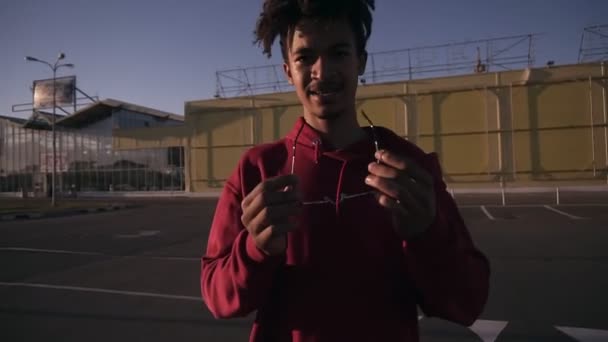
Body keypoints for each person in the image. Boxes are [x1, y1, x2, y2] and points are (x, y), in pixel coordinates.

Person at [201, 1, 490, 341]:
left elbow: (467, 303)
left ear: (361, 62)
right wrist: (255, 249)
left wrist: (426, 234)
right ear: (287, 71)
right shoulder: (257, 169)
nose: (322, 72)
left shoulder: (409, 169)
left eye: (338, 53)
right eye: (305, 57)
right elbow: (218, 298)